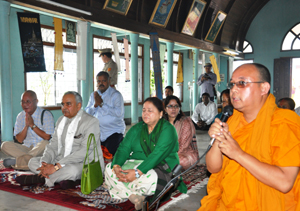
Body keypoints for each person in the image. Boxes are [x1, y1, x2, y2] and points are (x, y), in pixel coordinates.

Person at [199, 63, 300, 210]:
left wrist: (238, 154)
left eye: (242, 83)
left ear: (264, 88)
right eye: (232, 84)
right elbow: (213, 168)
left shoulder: (284, 122)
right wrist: (217, 140)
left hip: (269, 204)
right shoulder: (232, 120)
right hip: (229, 203)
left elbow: (285, 182)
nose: (233, 89)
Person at [104, 97, 187, 210]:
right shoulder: (136, 129)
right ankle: (134, 196)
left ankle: (119, 188)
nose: (145, 113)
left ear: (161, 113)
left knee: (151, 178)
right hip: (135, 164)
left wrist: (137, 173)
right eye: (144, 110)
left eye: (150, 110)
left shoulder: (168, 129)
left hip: (160, 166)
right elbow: (123, 149)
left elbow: (157, 155)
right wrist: (117, 166)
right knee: (109, 169)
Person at [15, 91, 104, 189]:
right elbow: (53, 145)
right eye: (63, 104)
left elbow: (84, 152)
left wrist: (56, 167)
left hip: (84, 163)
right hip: (60, 160)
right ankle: (66, 180)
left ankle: (42, 179)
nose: (64, 107)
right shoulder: (61, 120)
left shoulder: (91, 122)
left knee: (72, 171)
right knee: (32, 162)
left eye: (68, 104)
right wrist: (44, 163)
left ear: (78, 106)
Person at [1, 90, 54, 169]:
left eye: (28, 102)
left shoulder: (46, 114)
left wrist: (32, 125)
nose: (25, 105)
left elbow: (47, 137)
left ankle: (17, 161)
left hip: (40, 148)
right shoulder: (20, 116)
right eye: (23, 102)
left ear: (36, 101)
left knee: (45, 144)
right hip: (26, 148)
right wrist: (26, 126)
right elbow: (19, 140)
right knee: (4, 145)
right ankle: (30, 160)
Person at [85, 71, 125, 156]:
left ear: (109, 81)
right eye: (99, 81)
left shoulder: (116, 95)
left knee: (108, 154)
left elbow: (119, 113)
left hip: (113, 131)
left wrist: (102, 104)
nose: (101, 83)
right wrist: (95, 105)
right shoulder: (93, 95)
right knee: (92, 153)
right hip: (99, 131)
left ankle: (120, 141)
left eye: (103, 81)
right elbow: (87, 113)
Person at [164, 95, 199, 170]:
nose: (173, 109)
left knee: (181, 161)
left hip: (184, 153)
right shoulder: (162, 123)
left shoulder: (185, 122)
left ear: (179, 108)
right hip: (165, 153)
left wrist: (168, 156)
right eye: (170, 106)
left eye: (176, 106)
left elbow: (183, 146)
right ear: (165, 109)